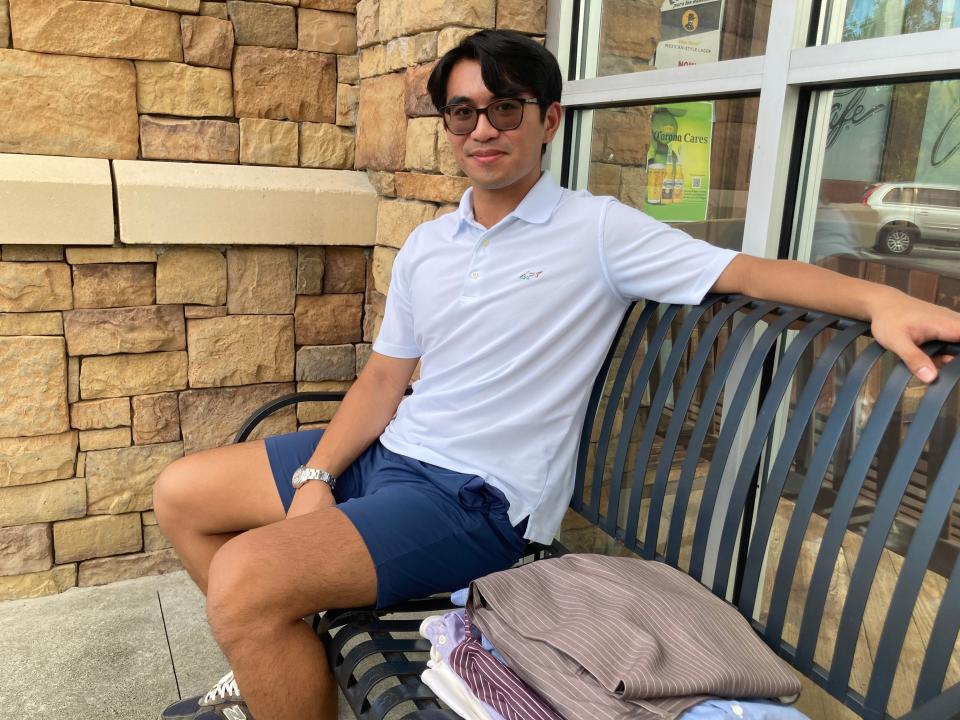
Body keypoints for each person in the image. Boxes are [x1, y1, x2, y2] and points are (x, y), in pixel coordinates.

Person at [154, 29, 960, 720]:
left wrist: (880, 296)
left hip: (477, 499)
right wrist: (321, 475)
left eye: (506, 107)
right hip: (391, 457)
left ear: (548, 120)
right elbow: (380, 380)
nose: (484, 128)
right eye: (464, 111)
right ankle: (273, 659)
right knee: (183, 494)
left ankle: (264, 645)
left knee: (245, 580)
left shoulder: (596, 232)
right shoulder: (432, 245)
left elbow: (744, 272)